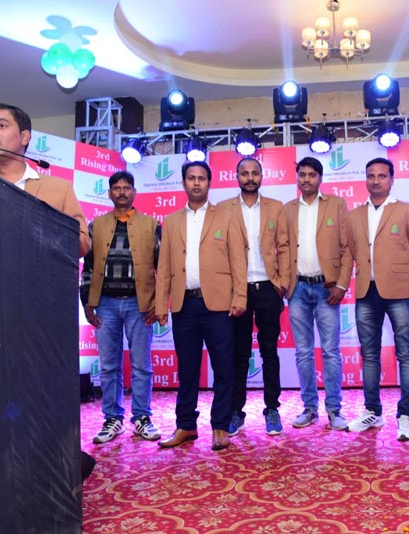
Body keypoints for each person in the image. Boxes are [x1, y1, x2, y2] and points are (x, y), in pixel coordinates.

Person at [156, 161, 247, 451]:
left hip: (219, 305)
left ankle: (220, 425)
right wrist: (161, 304)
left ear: (210, 183)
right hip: (184, 305)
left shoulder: (227, 217)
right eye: (191, 178)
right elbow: (164, 266)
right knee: (187, 369)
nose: (196, 183)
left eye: (202, 178)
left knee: (224, 368)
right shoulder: (171, 221)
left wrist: (240, 297)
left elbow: (238, 261)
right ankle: (185, 425)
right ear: (183, 182)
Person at [346, 157, 409, 441]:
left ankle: (406, 415)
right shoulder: (354, 215)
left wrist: (408, 281)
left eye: (382, 176)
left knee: (406, 354)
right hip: (366, 292)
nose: (376, 180)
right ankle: (372, 411)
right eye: (371, 176)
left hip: (400, 292)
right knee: (369, 355)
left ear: (392, 179)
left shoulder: (407, 210)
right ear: (365, 179)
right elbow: (352, 252)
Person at [80, 171, 162, 444]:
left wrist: (159, 303)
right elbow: (88, 267)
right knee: (108, 366)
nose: (122, 192)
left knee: (141, 365)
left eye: (127, 187)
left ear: (134, 192)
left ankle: (141, 417)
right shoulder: (96, 226)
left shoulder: (151, 225)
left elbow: (162, 267)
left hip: (140, 304)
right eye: (117, 188)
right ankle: (112, 419)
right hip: (105, 303)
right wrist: (87, 301)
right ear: (110, 193)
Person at [218, 157, 290, 436]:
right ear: (236, 176)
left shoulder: (276, 207)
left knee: (269, 351)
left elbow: (284, 247)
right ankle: (236, 411)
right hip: (238, 291)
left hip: (268, 289)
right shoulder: (224, 208)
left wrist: (281, 283)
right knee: (239, 353)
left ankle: (272, 408)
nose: (250, 178)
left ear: (262, 176)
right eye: (245, 173)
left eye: (255, 173)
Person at [281, 156, 352, 430]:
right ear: (297, 177)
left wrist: (341, 285)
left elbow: (347, 248)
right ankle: (309, 408)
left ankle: (334, 410)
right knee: (303, 353)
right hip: (297, 288)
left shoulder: (336, 205)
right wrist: (285, 284)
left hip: (327, 288)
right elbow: (282, 248)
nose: (306, 179)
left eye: (312, 174)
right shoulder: (288, 209)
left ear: (320, 178)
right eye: (302, 174)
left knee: (331, 351)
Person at [0, 103, 89, 257]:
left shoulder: (60, 188)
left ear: (24, 137)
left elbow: (82, 244)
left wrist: (42, 227)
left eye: (2, 125)